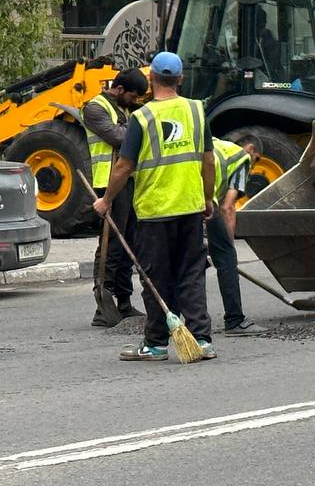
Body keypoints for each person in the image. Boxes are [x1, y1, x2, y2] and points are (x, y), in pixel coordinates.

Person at [94, 51, 218, 363]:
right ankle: (201, 339)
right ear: (181, 79)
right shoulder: (196, 111)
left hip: (155, 209)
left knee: (155, 277)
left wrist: (106, 200)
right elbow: (207, 160)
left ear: (151, 80)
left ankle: (156, 343)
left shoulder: (142, 118)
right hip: (189, 206)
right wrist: (207, 198)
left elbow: (124, 166)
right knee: (192, 273)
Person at [82, 67, 149, 327]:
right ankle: (103, 303)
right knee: (111, 245)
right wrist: (133, 130)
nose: (135, 102)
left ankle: (124, 301)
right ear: (119, 89)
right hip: (108, 184)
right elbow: (119, 137)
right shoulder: (95, 108)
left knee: (129, 242)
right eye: (133, 96)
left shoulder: (126, 110)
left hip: (129, 182)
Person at [207, 136, 266, 336]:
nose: (253, 165)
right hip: (202, 201)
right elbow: (228, 207)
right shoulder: (242, 158)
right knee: (225, 257)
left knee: (190, 261)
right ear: (250, 148)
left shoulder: (216, 143)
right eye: (256, 159)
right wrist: (228, 247)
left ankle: (184, 321)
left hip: (178, 199)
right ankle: (235, 320)